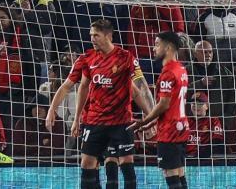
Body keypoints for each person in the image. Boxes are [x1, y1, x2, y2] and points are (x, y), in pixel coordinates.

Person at [47, 19, 155, 189]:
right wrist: (53, 110)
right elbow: (69, 86)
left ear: (108, 36)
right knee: (87, 163)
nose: (92, 38)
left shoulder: (125, 57)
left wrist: (150, 117)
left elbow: (138, 89)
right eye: (91, 35)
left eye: (96, 35)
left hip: (121, 122)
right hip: (95, 121)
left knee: (126, 163)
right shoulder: (86, 58)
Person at [128, 31, 189, 189]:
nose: (153, 48)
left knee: (170, 174)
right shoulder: (181, 69)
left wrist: (144, 121)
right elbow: (172, 104)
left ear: (168, 47)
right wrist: (153, 122)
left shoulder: (168, 72)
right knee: (179, 172)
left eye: (157, 44)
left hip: (169, 130)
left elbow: (164, 104)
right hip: (181, 127)